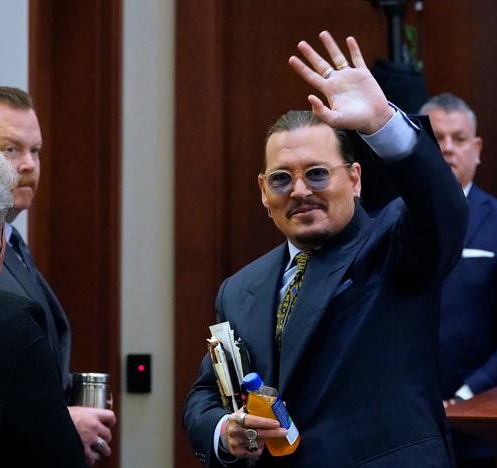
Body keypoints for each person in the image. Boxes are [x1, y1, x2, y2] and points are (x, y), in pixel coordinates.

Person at [183, 31, 468, 467]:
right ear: (263, 191)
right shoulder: (240, 289)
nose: (299, 191)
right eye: (281, 178)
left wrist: (382, 125)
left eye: (317, 174)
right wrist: (227, 429)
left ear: (354, 179)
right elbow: (208, 392)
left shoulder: (391, 245)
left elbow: (442, 209)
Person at [0, 86, 116, 465]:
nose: (28, 165)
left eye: (35, 150)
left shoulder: (14, 244)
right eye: (10, 149)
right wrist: (57, 422)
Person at [420, 93, 497, 465]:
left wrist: (465, 396)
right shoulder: (383, 223)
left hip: (478, 420)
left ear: (476, 149)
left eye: (458, 139)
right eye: (436, 139)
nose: (447, 149)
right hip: (399, 422)